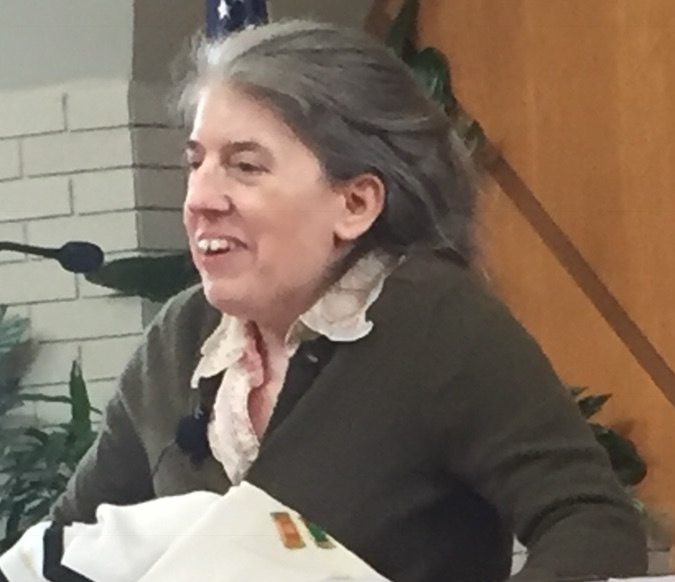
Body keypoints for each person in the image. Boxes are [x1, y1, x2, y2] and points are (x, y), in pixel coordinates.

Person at [46, 19, 646, 582]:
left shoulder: (434, 322)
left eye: (245, 166)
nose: (200, 198)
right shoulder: (180, 337)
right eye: (195, 163)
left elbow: (592, 525)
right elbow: (67, 545)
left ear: (354, 204)